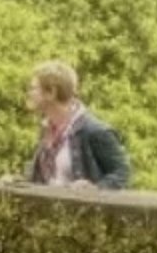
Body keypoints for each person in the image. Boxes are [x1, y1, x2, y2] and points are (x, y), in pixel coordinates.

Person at [24, 60, 132, 189]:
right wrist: (18, 181)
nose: (29, 93)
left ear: (51, 92)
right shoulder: (47, 128)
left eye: (33, 88)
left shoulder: (94, 131)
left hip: (82, 203)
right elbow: (46, 178)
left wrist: (95, 188)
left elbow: (122, 173)